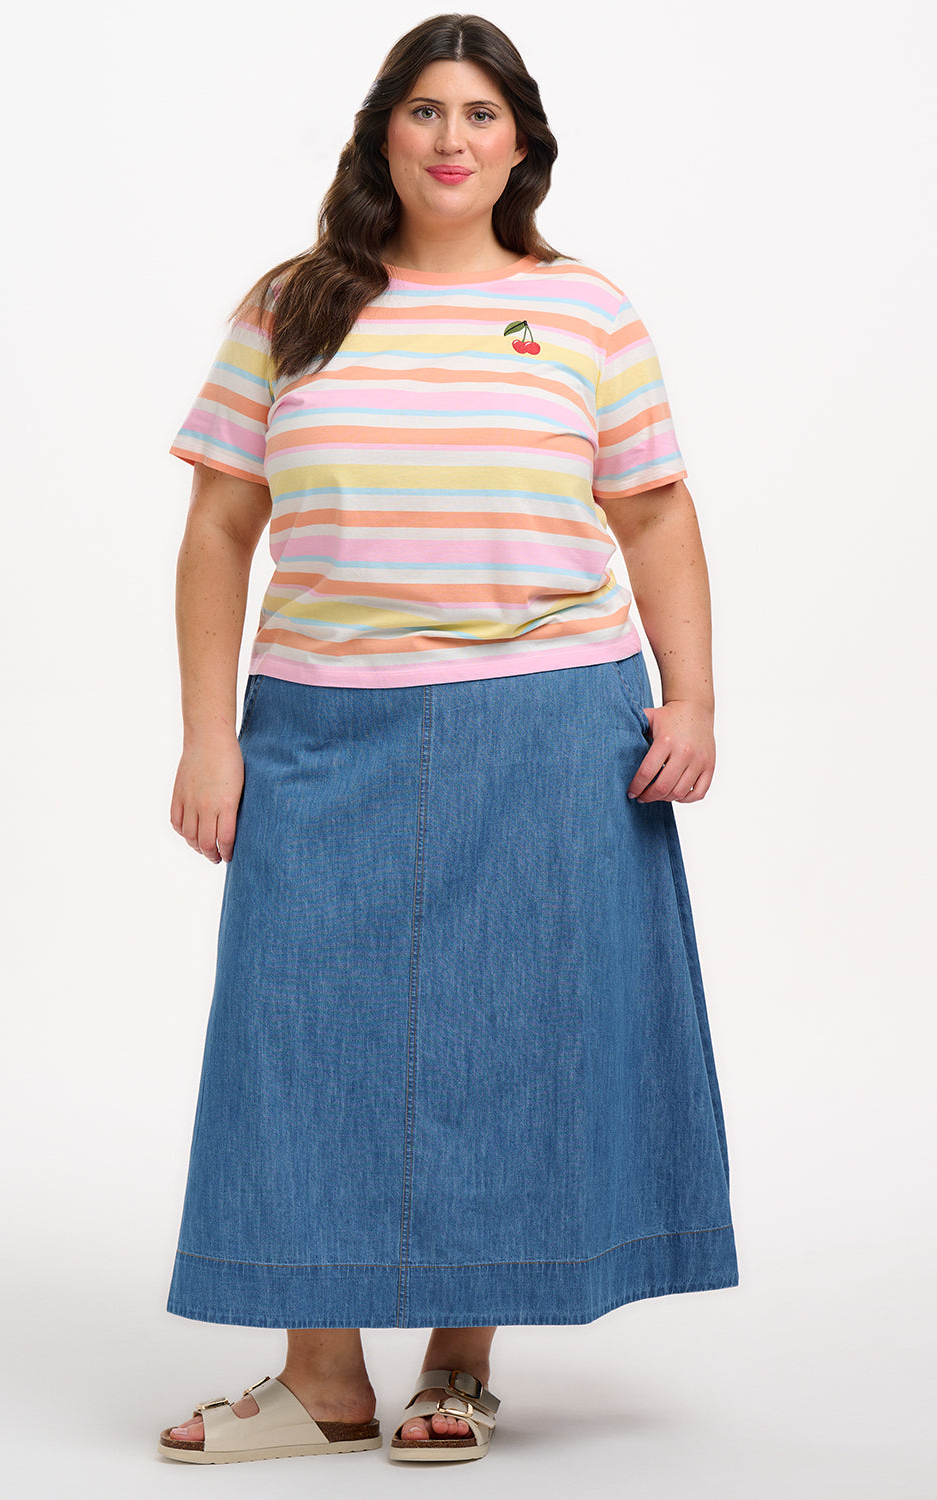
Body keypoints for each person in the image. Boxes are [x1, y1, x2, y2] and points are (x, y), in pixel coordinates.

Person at [156, 11, 738, 1468]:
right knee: (297, 1038)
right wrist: (205, 735)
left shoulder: (588, 312)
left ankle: (459, 1367)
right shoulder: (292, 308)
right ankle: (320, 1381)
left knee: (508, 1042)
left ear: (521, 142)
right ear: (383, 134)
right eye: (425, 111)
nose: (452, 138)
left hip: (548, 722)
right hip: (317, 723)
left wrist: (696, 696)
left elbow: (655, 514)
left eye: (481, 114)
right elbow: (223, 525)